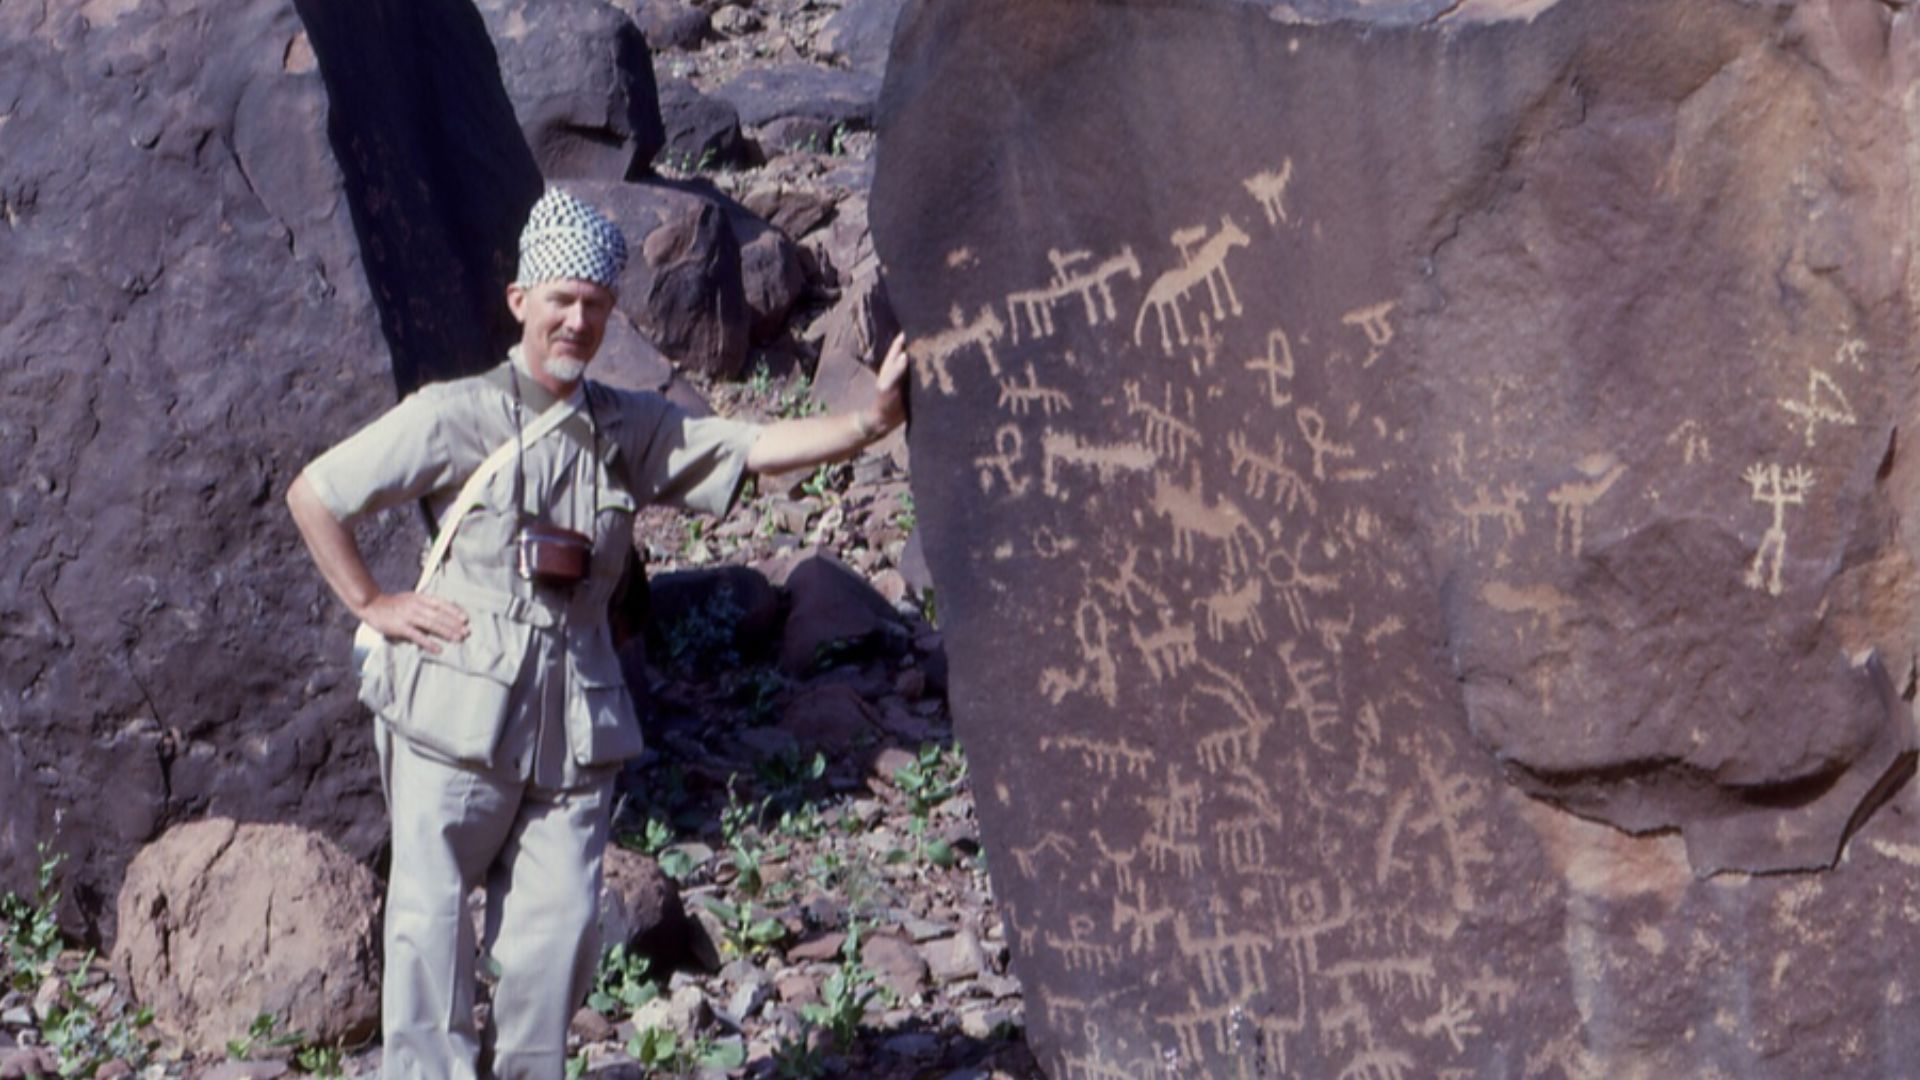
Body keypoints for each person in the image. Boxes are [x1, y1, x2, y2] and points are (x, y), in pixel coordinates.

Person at [285, 187, 909, 1079]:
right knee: (428, 931)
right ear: (521, 302)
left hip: (576, 724)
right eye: (561, 300)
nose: (576, 321)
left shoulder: (629, 428)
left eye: (595, 304)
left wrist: (868, 423)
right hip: (454, 714)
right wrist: (373, 603)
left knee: (560, 936)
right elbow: (317, 494)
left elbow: (749, 447)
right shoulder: (453, 413)